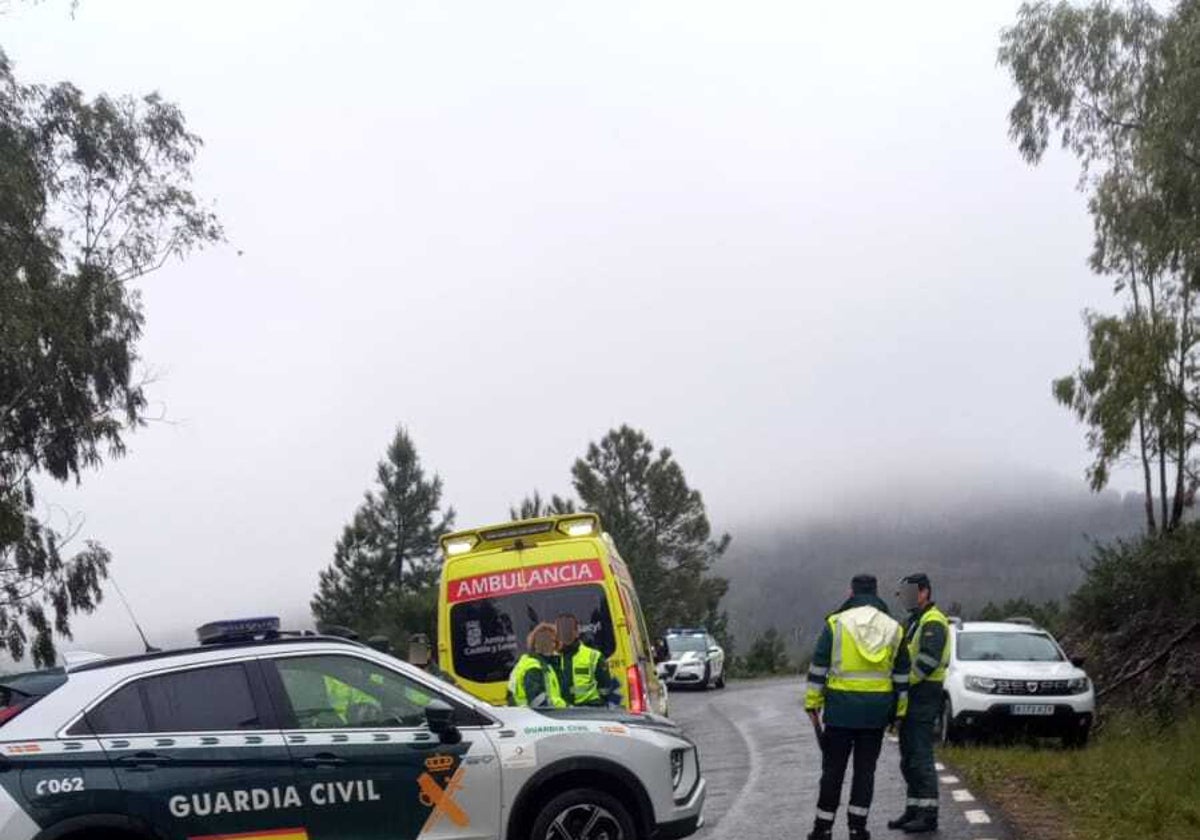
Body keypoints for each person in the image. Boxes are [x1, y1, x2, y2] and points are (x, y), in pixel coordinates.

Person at [804, 574, 910, 840]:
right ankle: (858, 829)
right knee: (865, 772)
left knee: (833, 771)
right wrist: (900, 711)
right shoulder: (894, 627)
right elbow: (901, 676)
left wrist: (812, 705)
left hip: (840, 711)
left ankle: (823, 829)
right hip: (876, 714)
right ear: (876, 593)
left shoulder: (836, 623)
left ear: (851, 592)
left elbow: (818, 668)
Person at [888, 573, 952, 834]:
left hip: (924, 693)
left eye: (910, 592)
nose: (905, 598)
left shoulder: (932, 621)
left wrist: (902, 683)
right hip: (913, 695)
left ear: (924, 592)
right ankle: (913, 808)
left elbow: (926, 661)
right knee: (909, 757)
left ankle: (928, 814)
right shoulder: (914, 621)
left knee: (920, 755)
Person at [554, 614, 622, 707]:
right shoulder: (552, 658)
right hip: (560, 713)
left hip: (589, 711)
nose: (566, 634)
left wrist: (601, 707)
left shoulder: (593, 656)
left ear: (577, 632)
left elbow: (605, 689)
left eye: (568, 630)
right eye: (563, 631)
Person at [506, 622, 567, 708]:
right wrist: (564, 707)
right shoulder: (534, 667)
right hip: (537, 716)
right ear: (536, 644)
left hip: (527, 715)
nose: (550, 645)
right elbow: (538, 702)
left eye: (552, 641)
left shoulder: (529, 663)